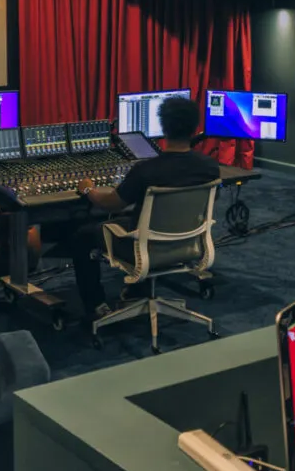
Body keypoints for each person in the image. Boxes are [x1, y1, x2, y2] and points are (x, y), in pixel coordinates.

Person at [71, 95, 221, 322]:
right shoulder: (209, 167)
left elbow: (112, 203)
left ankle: (96, 305)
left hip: (144, 247)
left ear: (163, 128)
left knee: (82, 236)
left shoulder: (147, 170)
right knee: (134, 216)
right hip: (189, 245)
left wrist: (88, 191)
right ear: (195, 128)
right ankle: (137, 290)